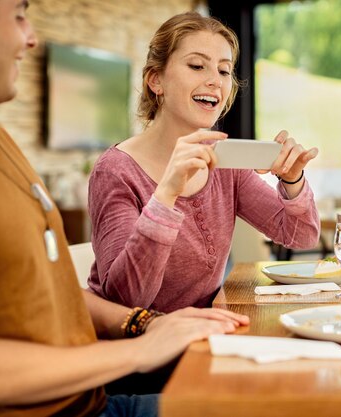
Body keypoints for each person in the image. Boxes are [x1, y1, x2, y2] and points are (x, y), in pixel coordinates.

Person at [0, 1, 249, 416]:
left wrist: (146, 324)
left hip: (92, 396)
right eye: (20, 15)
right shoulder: (116, 168)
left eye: (223, 70)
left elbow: (62, 290)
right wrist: (142, 350)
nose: (31, 37)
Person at [87, 12, 321, 312]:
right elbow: (127, 300)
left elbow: (302, 236)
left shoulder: (223, 161)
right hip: (143, 345)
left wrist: (292, 180)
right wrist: (166, 194)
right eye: (197, 66)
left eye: (224, 71)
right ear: (156, 80)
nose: (214, 81)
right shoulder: (116, 171)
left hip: (207, 333)